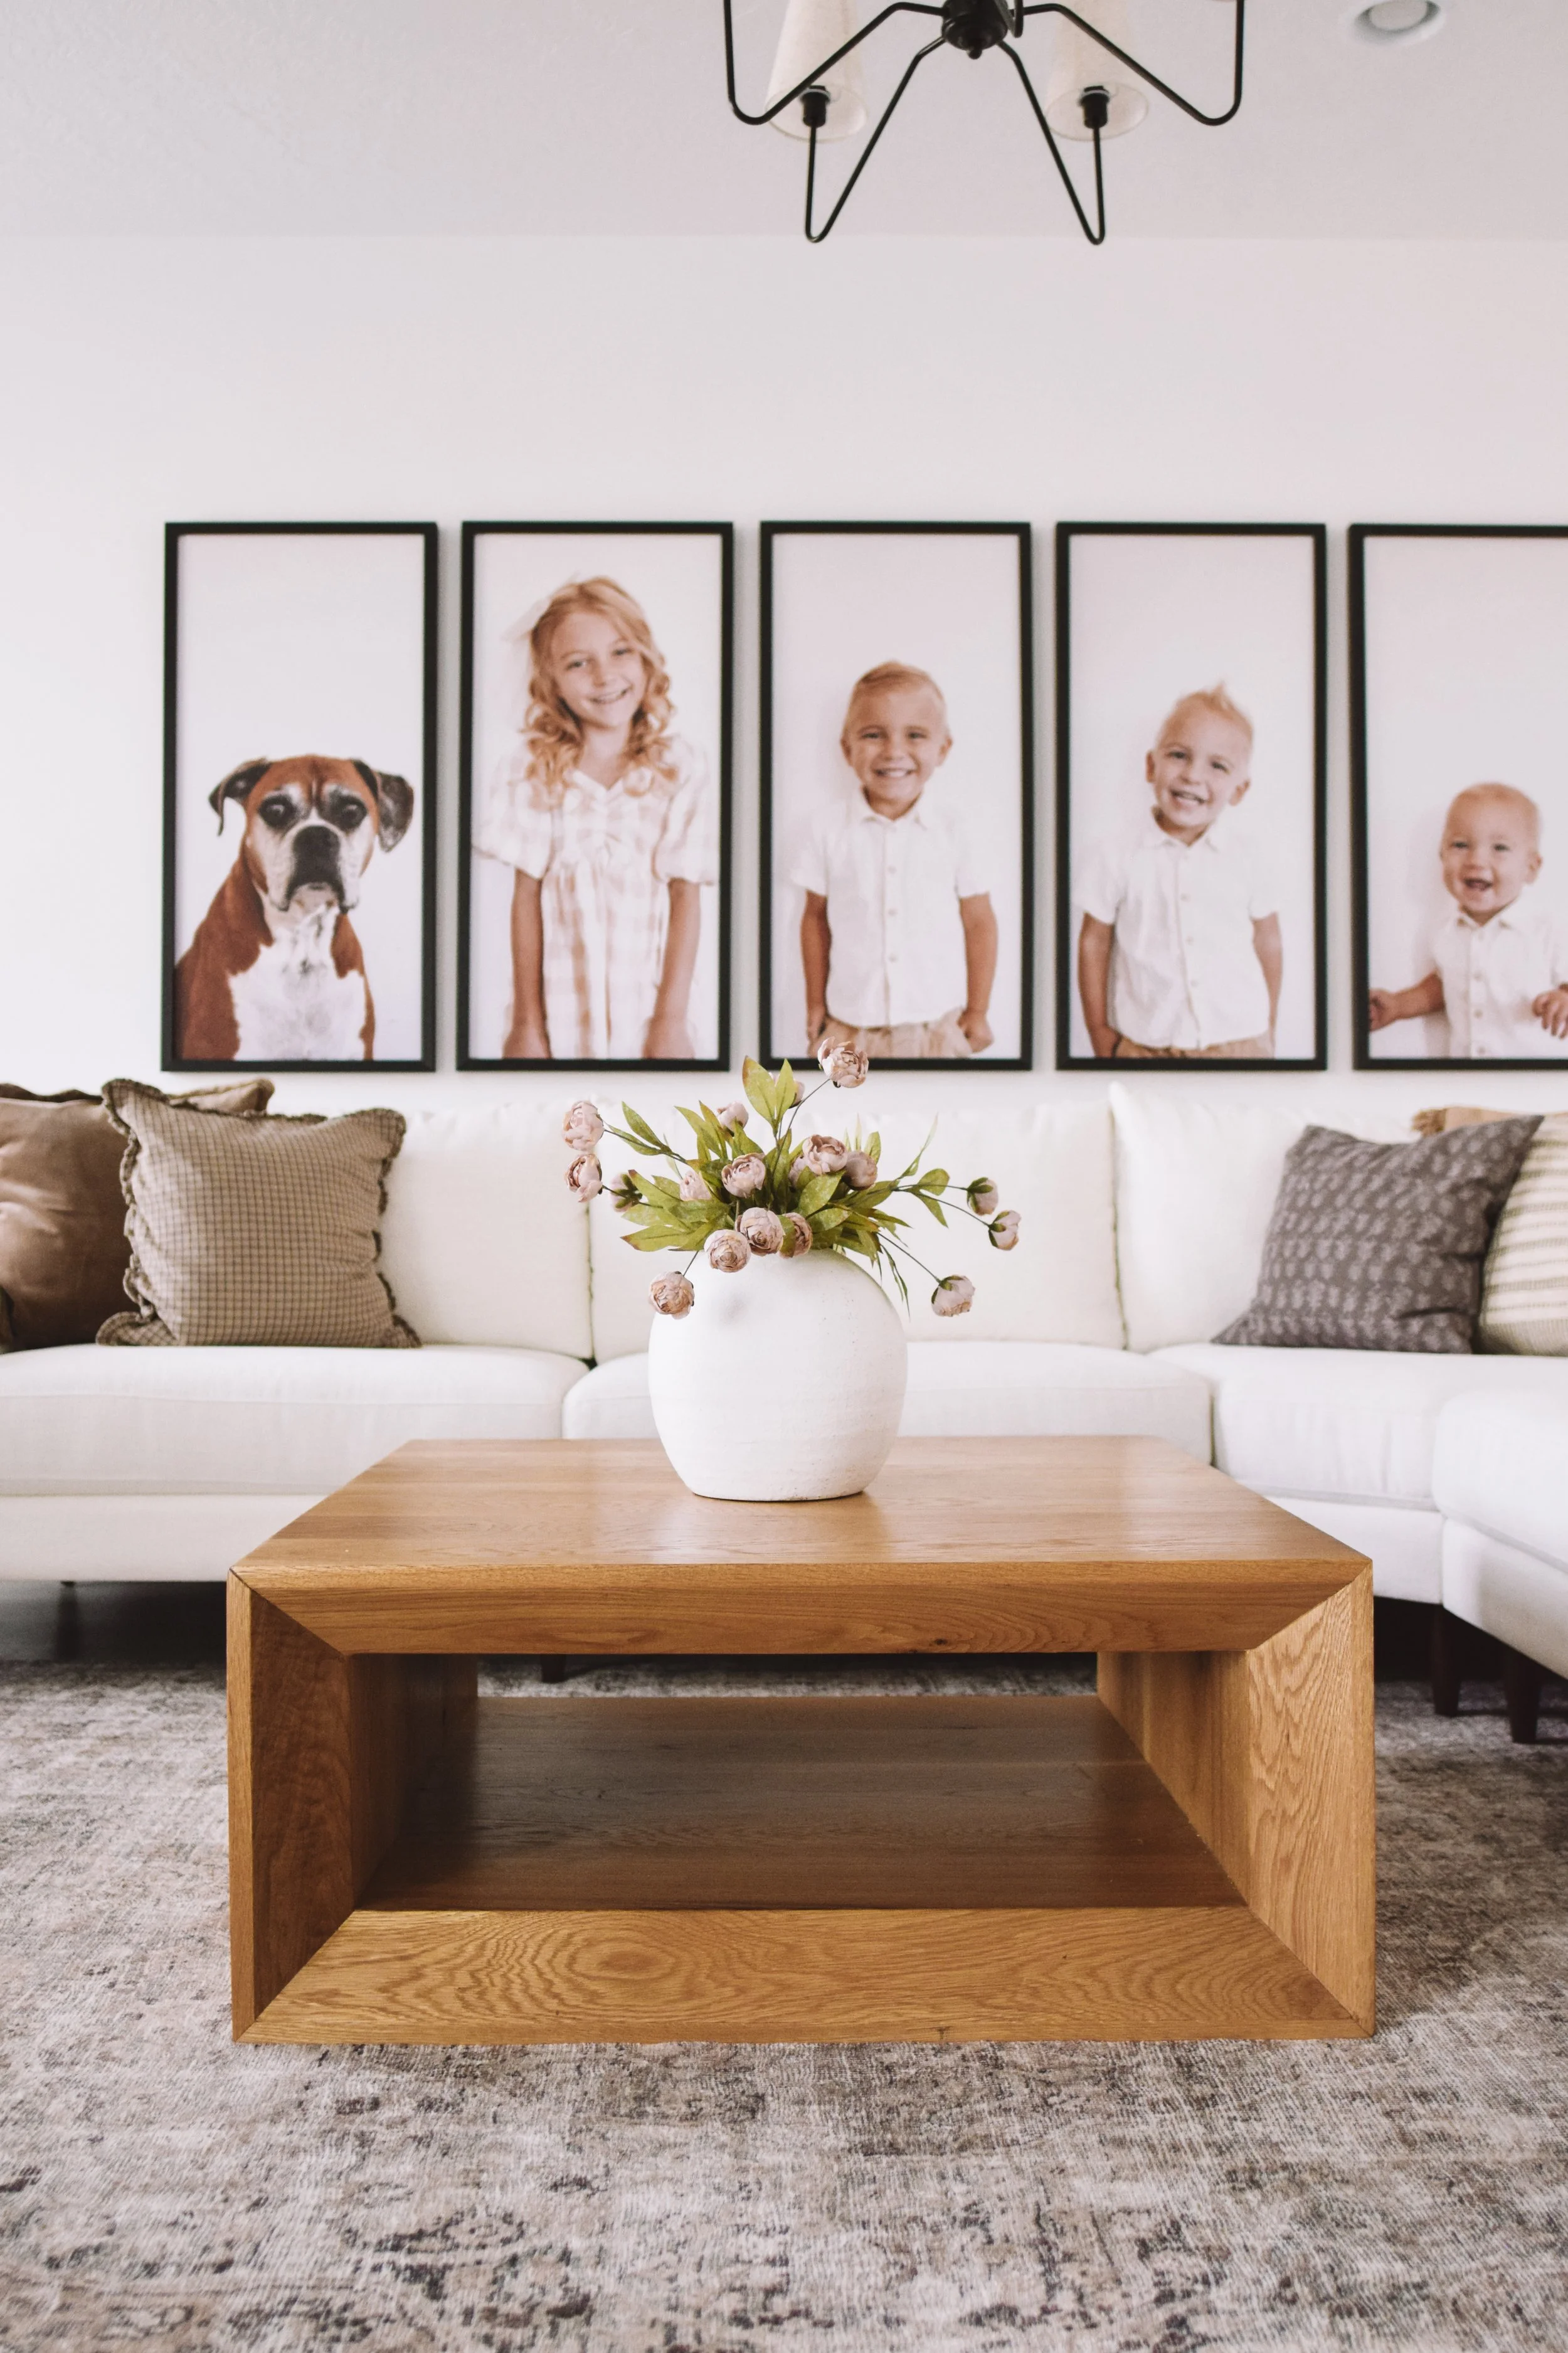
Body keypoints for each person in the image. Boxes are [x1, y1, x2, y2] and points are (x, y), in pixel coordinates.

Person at [476, 577, 713, 1060]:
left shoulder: (679, 767)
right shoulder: (532, 770)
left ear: (645, 659)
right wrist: (527, 1024)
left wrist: (670, 1021)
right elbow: (526, 899)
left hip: (650, 1012)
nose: (605, 676)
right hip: (559, 1017)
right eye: (578, 663)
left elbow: (685, 895)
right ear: (552, 681)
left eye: (620, 652)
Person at [794, 662, 998, 1061]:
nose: (894, 751)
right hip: (849, 1028)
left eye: (915, 735)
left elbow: (980, 922)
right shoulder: (826, 830)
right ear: (847, 749)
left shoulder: (957, 830)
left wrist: (978, 1010)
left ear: (943, 749)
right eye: (873, 735)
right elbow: (814, 919)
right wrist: (815, 1003)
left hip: (936, 1027)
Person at [1076, 684, 1281, 1060]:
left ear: (1239, 790)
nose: (1192, 776)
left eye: (1217, 766)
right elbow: (1094, 943)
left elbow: (1268, 941)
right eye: (1179, 756)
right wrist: (1099, 1032)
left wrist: (1269, 1026)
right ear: (1151, 766)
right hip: (1147, 1044)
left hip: (1240, 1040)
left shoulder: (1248, 857)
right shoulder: (1116, 854)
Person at [1368, 783, 1568, 1058]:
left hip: (1532, 1077)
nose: (1476, 860)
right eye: (1461, 845)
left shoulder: (1547, 929)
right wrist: (1398, 1005)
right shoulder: (1446, 931)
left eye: (1500, 848)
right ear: (1442, 856)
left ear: (1531, 868)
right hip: (1465, 1075)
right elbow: (1444, 986)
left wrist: (1563, 999)